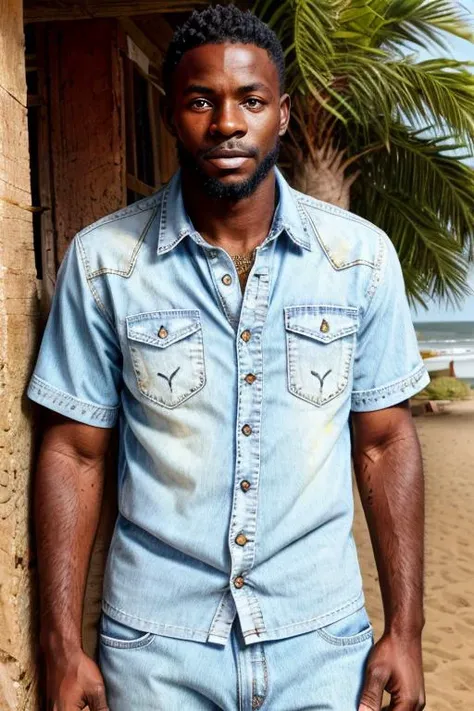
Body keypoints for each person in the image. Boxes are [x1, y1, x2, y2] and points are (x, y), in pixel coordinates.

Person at [28, 5, 429, 710]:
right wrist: (62, 643)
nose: (227, 124)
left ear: (281, 113)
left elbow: (385, 441)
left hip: (324, 643)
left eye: (251, 99)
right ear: (167, 112)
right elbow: (76, 452)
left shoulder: (359, 258)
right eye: (199, 100)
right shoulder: (105, 262)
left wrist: (408, 628)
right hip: (156, 649)